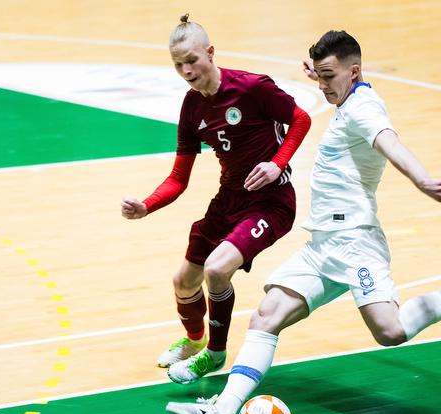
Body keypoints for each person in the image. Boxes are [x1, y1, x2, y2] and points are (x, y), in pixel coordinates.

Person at [165, 30, 441, 414]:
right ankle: (222, 412)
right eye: (318, 76)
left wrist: (422, 179)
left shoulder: (365, 109)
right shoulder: (348, 94)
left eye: (328, 77)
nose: (321, 86)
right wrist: (322, 76)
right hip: (322, 243)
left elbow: (388, 141)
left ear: (353, 72)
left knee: (390, 331)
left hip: (356, 243)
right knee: (265, 317)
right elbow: (338, 87)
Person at [121, 14, 311, 383]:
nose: (187, 70)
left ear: (210, 52)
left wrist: (276, 164)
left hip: (271, 202)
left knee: (216, 269)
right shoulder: (192, 108)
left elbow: (301, 119)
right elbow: (179, 178)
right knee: (183, 282)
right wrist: (147, 205)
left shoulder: (253, 88)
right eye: (178, 65)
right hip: (228, 201)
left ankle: (215, 353)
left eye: (192, 60)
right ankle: (195, 340)